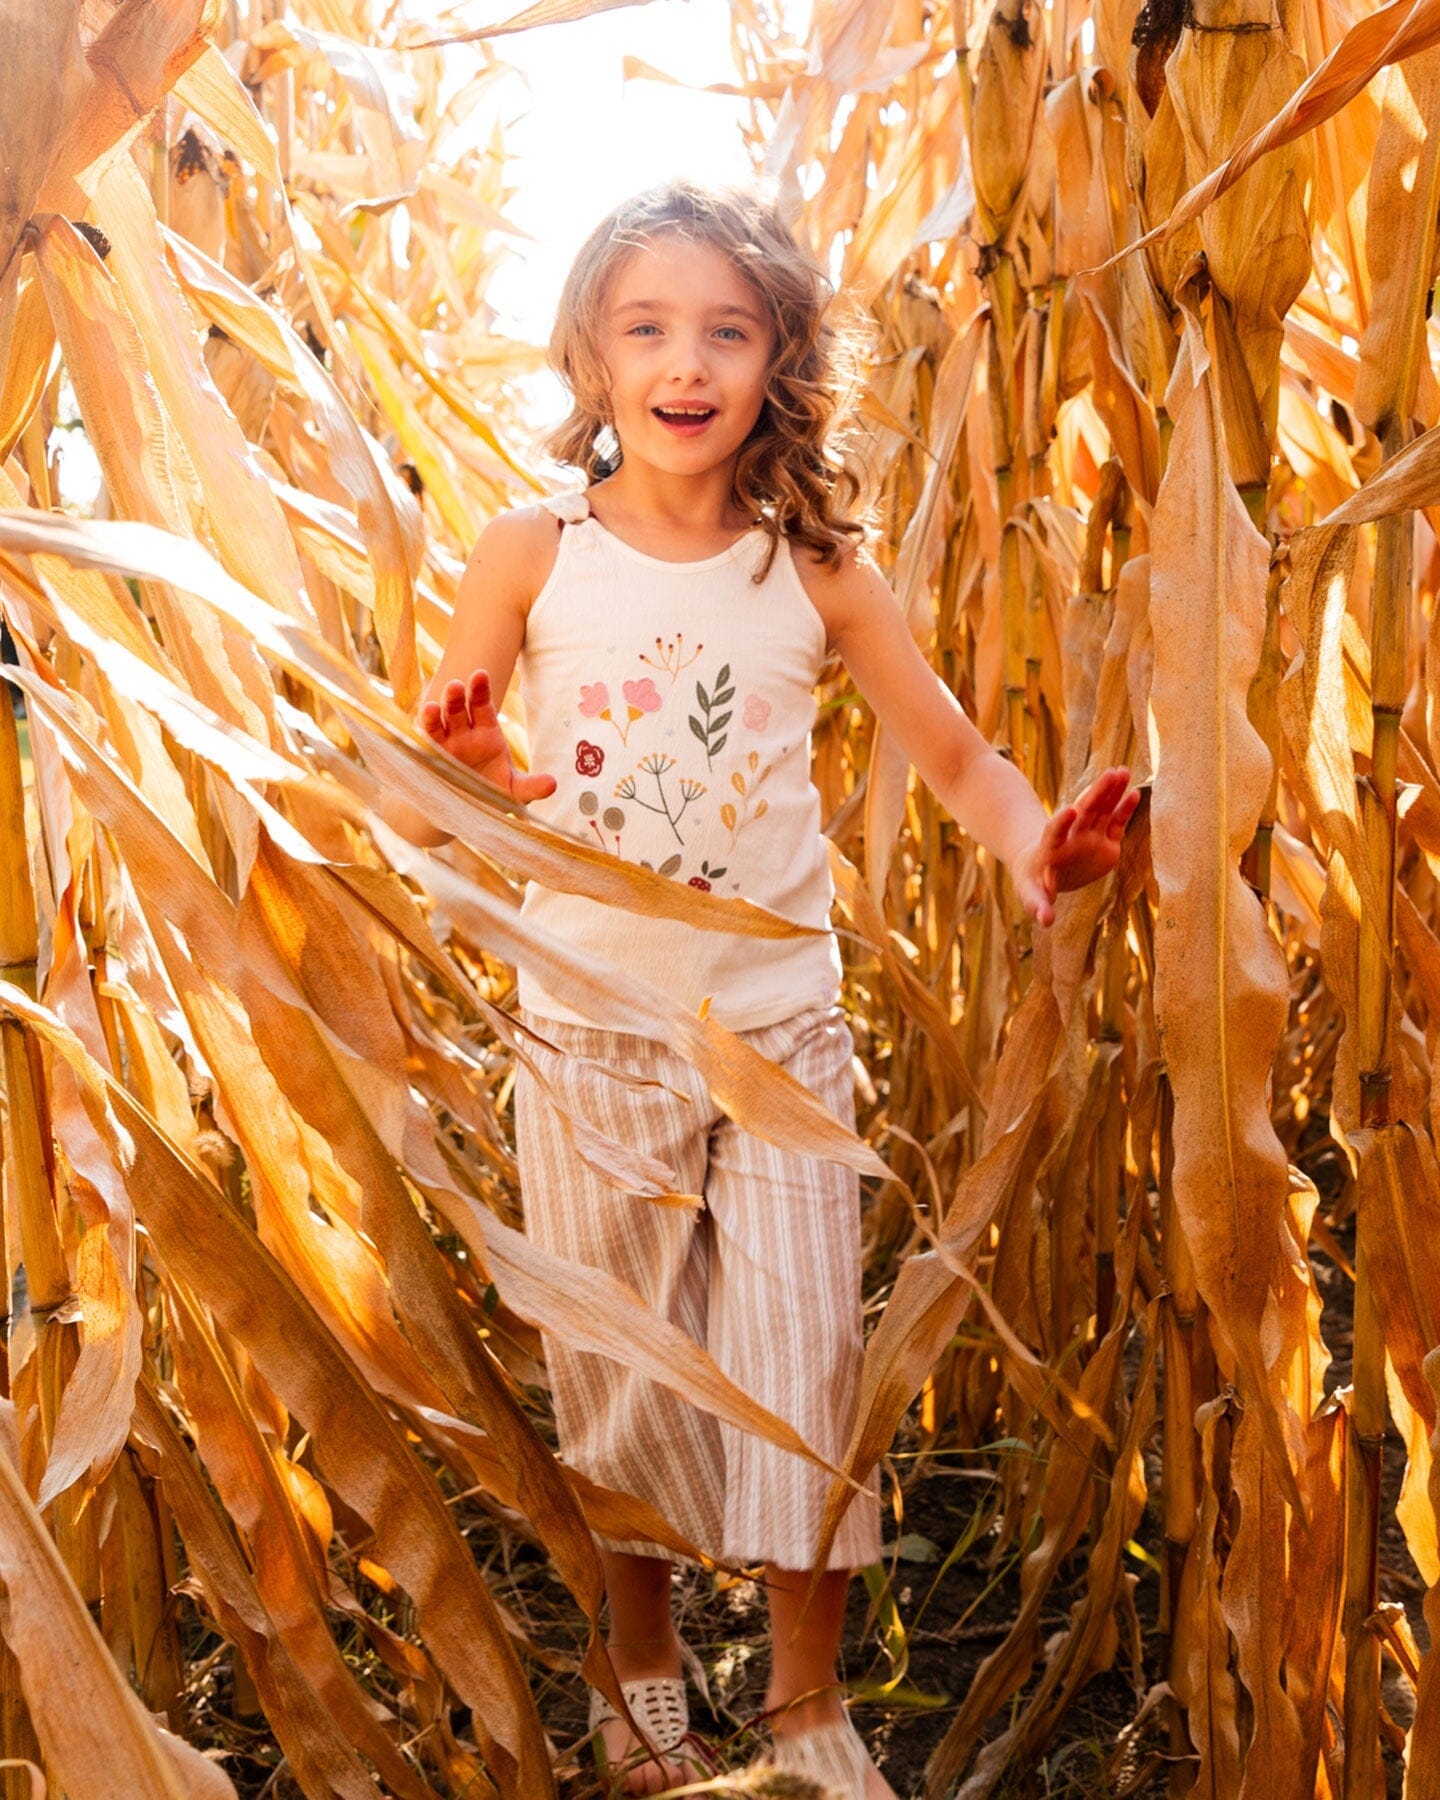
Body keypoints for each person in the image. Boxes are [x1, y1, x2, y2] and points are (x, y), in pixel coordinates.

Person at [407, 180, 1137, 1798]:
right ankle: (646, 1657)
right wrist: (471, 759)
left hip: (782, 1034)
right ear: (591, 360)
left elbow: (956, 757)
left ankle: (806, 1706)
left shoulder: (815, 568)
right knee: (627, 1370)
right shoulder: (532, 550)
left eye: (727, 329)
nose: (687, 360)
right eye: (646, 327)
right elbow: (469, 768)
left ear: (779, 358)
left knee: (807, 1369)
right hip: (594, 1031)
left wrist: (1040, 847)